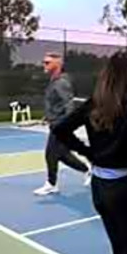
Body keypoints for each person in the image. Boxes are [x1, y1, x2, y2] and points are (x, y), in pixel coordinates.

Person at [52, 51, 127, 254]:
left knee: (121, 252)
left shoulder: (94, 102)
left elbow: (60, 129)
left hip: (99, 189)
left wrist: (88, 152)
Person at [34, 52, 90, 196]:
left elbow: (68, 105)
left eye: (47, 63)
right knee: (63, 155)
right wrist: (48, 116)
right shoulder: (54, 81)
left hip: (60, 125)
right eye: (43, 62)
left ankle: (51, 184)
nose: (44, 65)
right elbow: (56, 103)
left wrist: (65, 125)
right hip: (55, 122)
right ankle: (88, 170)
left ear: (57, 65)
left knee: (50, 154)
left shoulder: (61, 83)